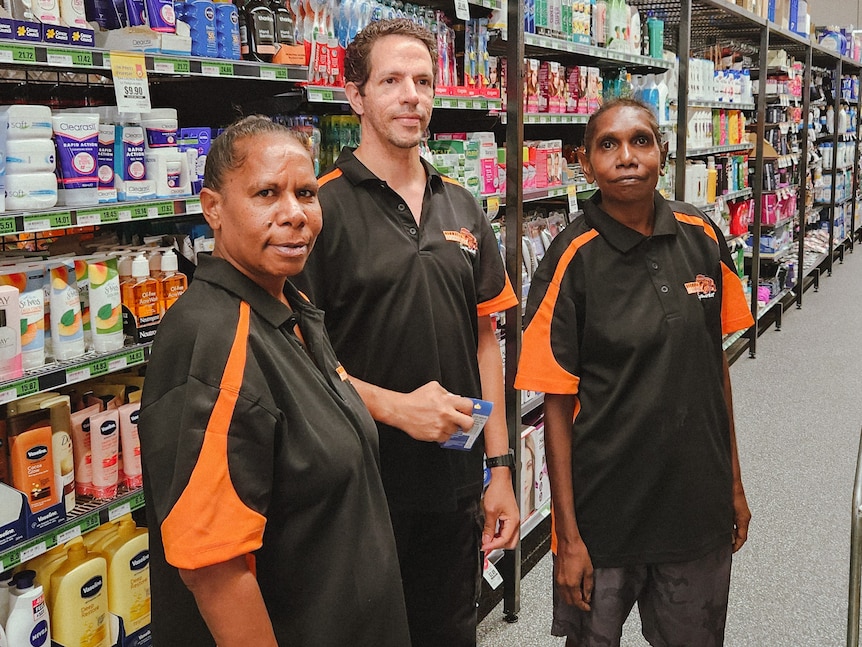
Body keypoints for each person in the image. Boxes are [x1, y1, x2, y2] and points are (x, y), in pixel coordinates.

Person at [138, 116, 411, 647]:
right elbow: (214, 569)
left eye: (306, 193)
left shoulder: (288, 304)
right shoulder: (214, 339)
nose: (295, 215)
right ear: (213, 208)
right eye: (267, 193)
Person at [294, 18, 520, 647]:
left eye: (423, 80)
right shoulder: (318, 210)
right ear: (355, 95)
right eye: (391, 80)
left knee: (450, 628)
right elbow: (296, 357)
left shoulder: (464, 203)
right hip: (358, 486)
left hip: (454, 483)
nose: (412, 95)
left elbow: (485, 343)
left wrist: (499, 468)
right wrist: (397, 409)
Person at [515, 98, 754, 647]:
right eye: (608, 145)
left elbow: (715, 368)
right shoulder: (569, 257)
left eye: (641, 141)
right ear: (584, 162)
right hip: (605, 518)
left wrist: (733, 486)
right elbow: (555, 403)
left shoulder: (702, 235)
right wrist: (568, 538)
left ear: (663, 154)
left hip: (695, 507)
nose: (626, 157)